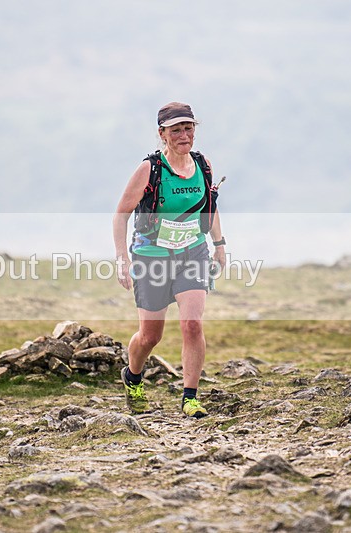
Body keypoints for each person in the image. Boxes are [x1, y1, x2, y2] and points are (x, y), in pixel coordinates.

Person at [112, 102, 226, 418]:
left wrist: (219, 244)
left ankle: (190, 397)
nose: (183, 135)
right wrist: (122, 258)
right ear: (162, 133)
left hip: (193, 252)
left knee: (192, 324)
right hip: (152, 257)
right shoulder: (150, 169)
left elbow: (209, 206)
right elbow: (121, 214)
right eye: (176, 130)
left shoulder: (203, 165)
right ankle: (132, 376)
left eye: (188, 128)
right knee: (150, 336)